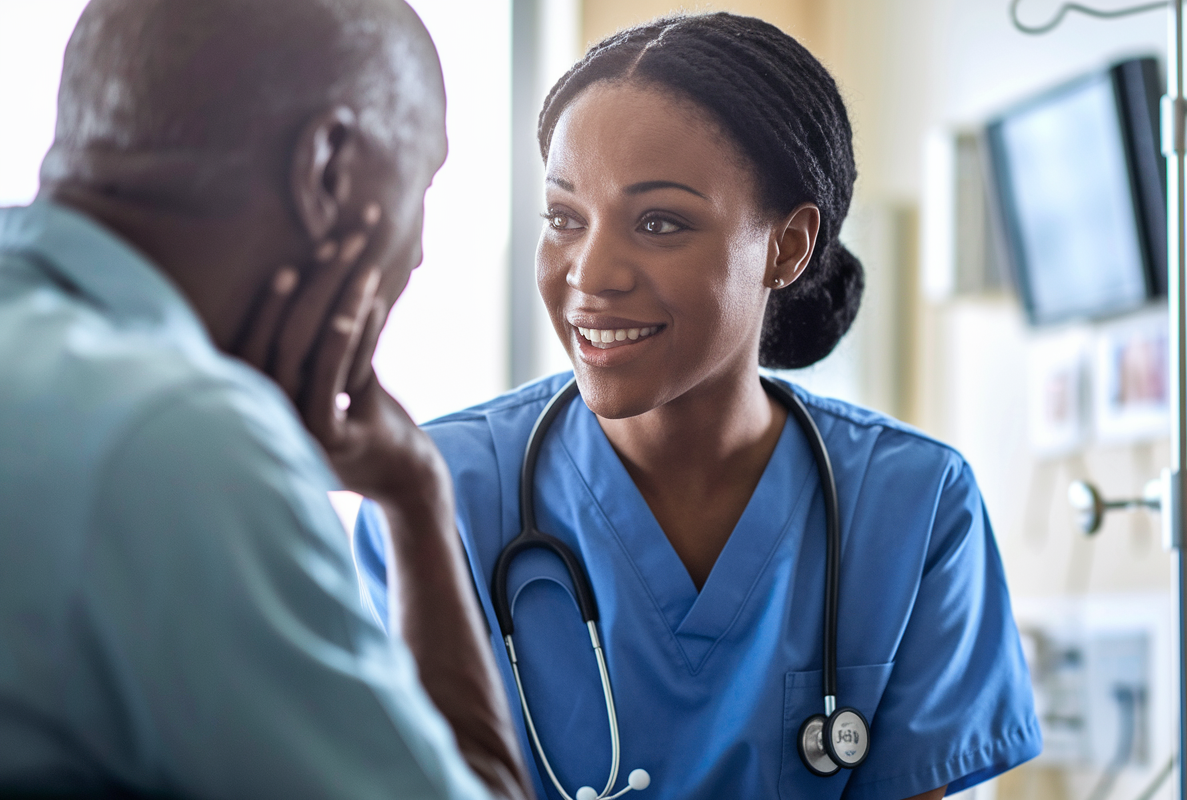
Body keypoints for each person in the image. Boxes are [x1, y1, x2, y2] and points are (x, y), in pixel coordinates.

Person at [354, 11, 1041, 800]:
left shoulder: (915, 505)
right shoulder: (435, 491)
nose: (591, 273)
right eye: (564, 218)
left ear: (786, 247)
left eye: (659, 222)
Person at [0, 0, 531, 797]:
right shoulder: (179, 443)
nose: (418, 251)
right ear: (329, 167)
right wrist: (417, 495)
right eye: (424, 178)